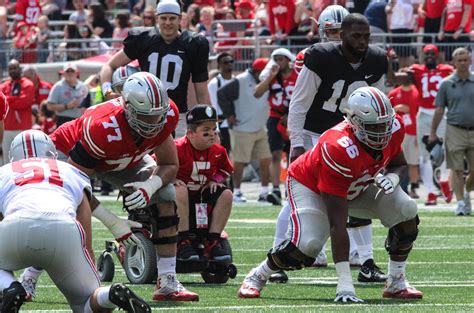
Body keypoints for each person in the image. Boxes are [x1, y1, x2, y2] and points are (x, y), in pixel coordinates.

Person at [21, 72, 199, 302]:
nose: (155, 124)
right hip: (71, 157)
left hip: (123, 158)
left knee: (165, 193)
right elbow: (77, 188)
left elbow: (169, 164)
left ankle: (167, 281)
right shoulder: (102, 126)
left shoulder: (166, 113)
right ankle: (29, 276)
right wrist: (112, 222)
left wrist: (149, 185)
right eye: (147, 117)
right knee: (63, 215)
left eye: (158, 117)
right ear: (128, 109)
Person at [238, 86, 423, 302]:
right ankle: (258, 274)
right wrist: (345, 285)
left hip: (359, 184)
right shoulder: (338, 147)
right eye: (375, 126)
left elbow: (399, 163)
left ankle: (396, 281)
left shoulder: (393, 126)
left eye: (385, 124)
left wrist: (391, 178)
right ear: (354, 122)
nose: (382, 131)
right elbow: (338, 224)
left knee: (407, 209)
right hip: (311, 186)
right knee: (308, 246)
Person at [272, 12, 388, 284]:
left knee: (358, 191)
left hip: (351, 136)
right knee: (297, 197)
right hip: (315, 136)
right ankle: (277, 253)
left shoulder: (375, 58)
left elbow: (381, 101)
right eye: (336, 32)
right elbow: (299, 105)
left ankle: (367, 259)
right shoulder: (318, 56)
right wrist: (297, 144)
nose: (340, 37)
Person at [0, 129, 151, 313]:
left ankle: (10, 288)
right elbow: (85, 233)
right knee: (86, 303)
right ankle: (109, 294)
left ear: (13, 156)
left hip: (16, 224)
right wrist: (92, 282)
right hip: (64, 229)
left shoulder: (4, 172)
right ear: (52, 153)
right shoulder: (71, 171)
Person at [100, 0, 211, 138]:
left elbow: (202, 91)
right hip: (143, 114)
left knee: (175, 158)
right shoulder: (143, 39)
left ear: (180, 19)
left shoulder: (193, 44)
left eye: (172, 18)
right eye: (163, 18)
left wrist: (210, 123)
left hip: (176, 115)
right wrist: (107, 90)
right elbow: (109, 66)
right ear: (157, 18)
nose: (168, 22)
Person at [394, 44, 454, 205]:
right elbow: (399, 77)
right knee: (424, 156)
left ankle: (443, 180)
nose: (429, 57)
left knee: (446, 150)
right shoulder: (417, 70)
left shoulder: (446, 69)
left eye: (432, 54)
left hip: (442, 114)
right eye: (426, 54)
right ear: (422, 56)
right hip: (424, 114)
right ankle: (431, 192)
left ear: (437, 56)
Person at [174, 105, 234, 261]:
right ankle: (182, 240)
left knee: (226, 194)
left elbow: (226, 170)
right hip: (176, 196)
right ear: (190, 134)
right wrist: (171, 178)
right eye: (206, 131)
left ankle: (212, 240)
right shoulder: (176, 148)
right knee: (180, 190)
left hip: (200, 196)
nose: (212, 134)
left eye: (214, 129)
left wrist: (215, 180)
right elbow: (156, 166)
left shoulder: (218, 151)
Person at [218, 58, 273, 204]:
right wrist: (229, 115)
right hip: (242, 128)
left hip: (261, 127)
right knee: (240, 162)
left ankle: (264, 191)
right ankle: (237, 192)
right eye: (264, 71)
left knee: (266, 159)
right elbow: (222, 94)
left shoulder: (270, 81)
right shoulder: (241, 80)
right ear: (256, 71)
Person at [430, 47, 474, 216]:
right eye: (459, 60)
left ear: (470, 61)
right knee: (456, 169)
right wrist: (433, 132)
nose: (463, 63)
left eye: (465, 60)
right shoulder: (446, 83)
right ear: (454, 62)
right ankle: (461, 202)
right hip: (455, 129)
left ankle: (467, 192)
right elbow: (440, 110)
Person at [254, 48, 297, 206]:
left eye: (282, 59)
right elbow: (257, 93)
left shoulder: (297, 75)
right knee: (275, 154)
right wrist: (270, 77)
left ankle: (291, 187)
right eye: (276, 59)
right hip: (275, 117)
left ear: (288, 60)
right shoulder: (272, 77)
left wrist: (293, 114)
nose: (279, 62)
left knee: (293, 153)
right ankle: (276, 189)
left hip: (292, 117)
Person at [389, 69, 420, 199]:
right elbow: (387, 111)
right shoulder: (394, 93)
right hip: (397, 133)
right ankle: (398, 188)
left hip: (413, 131)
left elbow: (420, 112)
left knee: (412, 162)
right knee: (398, 162)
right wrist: (396, 109)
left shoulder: (416, 92)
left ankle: (413, 187)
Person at [0, 59, 35, 165]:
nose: (13, 70)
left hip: (23, 128)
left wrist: (7, 100)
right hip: (6, 129)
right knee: (6, 159)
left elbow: (23, 103)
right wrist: (15, 98)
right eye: (10, 68)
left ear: (19, 69)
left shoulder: (28, 84)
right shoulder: (4, 85)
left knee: (24, 159)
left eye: (15, 68)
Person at [208, 52, 235, 153]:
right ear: (219, 65)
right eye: (225, 62)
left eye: (231, 61)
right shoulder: (214, 84)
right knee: (224, 153)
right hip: (222, 125)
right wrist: (216, 128)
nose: (229, 64)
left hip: (237, 124)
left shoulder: (237, 81)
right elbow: (212, 106)